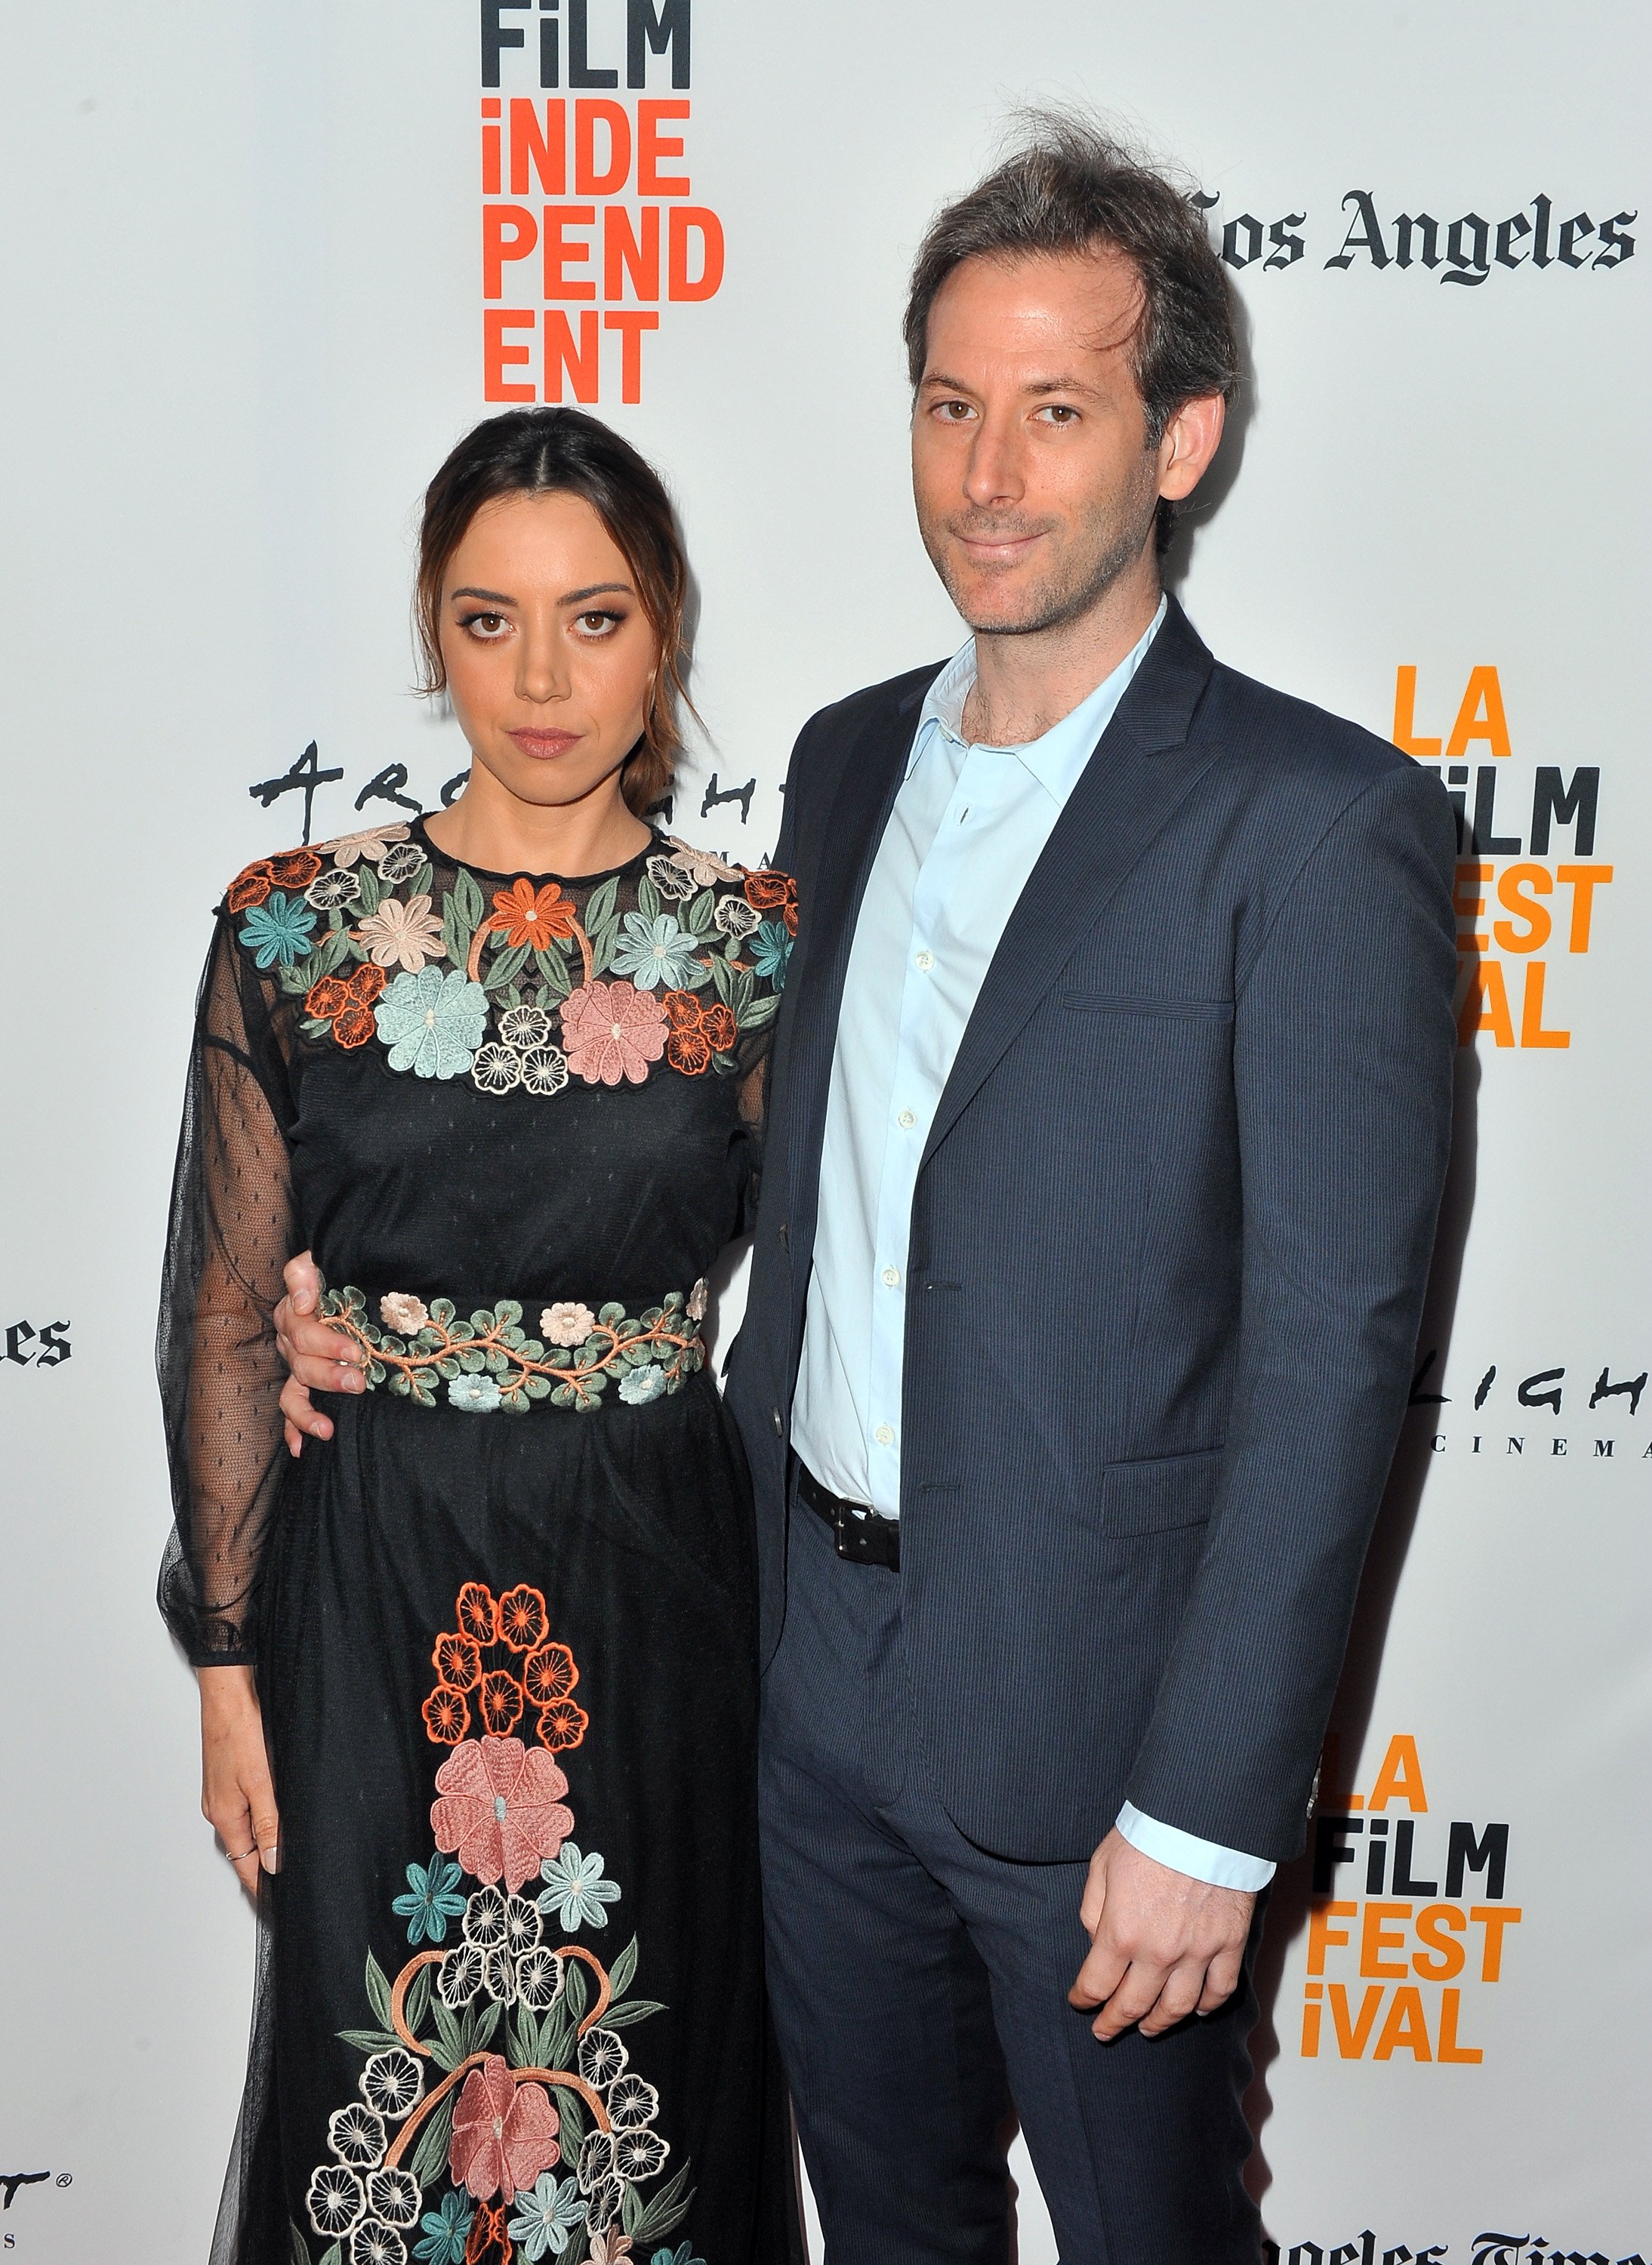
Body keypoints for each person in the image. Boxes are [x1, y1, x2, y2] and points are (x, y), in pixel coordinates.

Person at [277, 116, 1460, 2263]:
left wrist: (1206, 1809)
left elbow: (1333, 1353)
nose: (986, 475)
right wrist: (360, 1295)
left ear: (1178, 438)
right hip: (797, 1694)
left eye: (1055, 410)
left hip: (1101, 1742)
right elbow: (674, 1170)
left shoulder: (1317, 823)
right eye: (947, 404)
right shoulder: (832, 766)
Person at [159, 407, 800, 2265]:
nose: (541, 677)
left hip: (657, 1578)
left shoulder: (754, 945)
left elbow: (849, 1282)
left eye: (593, 619)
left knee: (649, 2069)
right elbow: (221, 1303)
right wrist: (224, 1661)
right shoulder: (296, 932)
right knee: (379, 2080)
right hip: (368, 1578)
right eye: (487, 618)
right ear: (430, 632)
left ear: (663, 629)